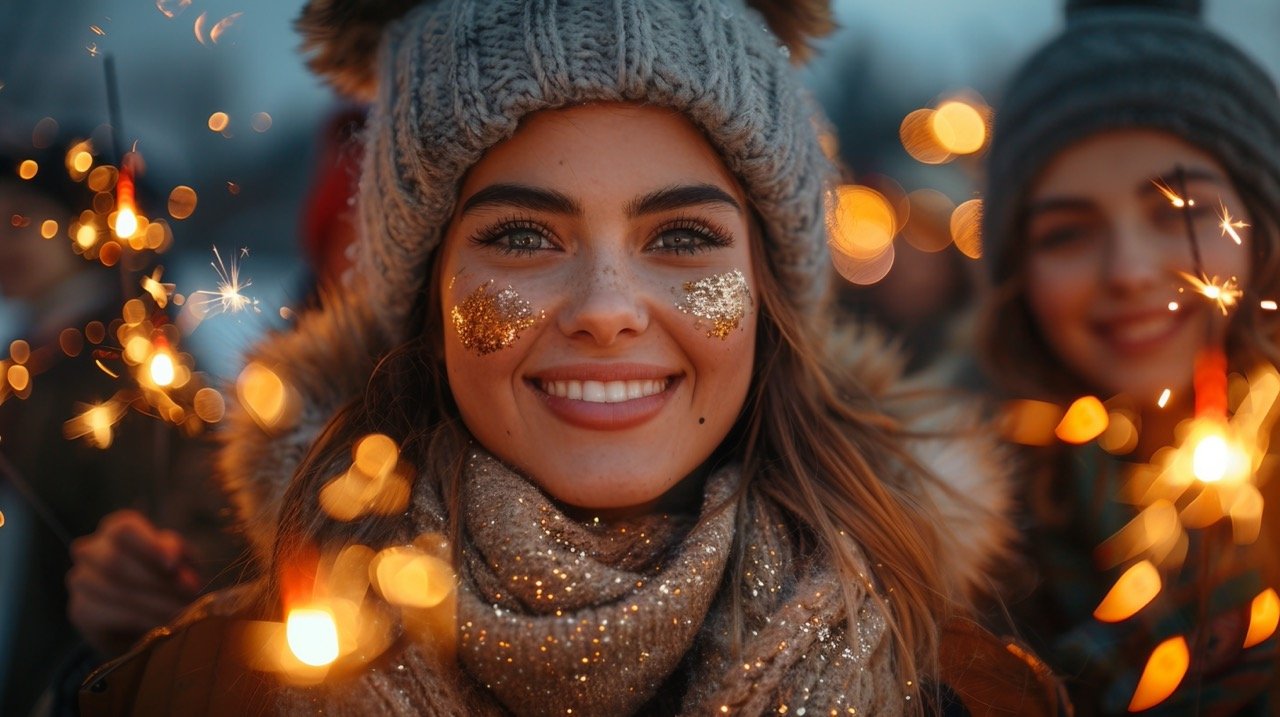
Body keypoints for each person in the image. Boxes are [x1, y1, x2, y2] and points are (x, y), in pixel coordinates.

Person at [79, 2, 1061, 715]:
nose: (605, 311)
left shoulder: (963, 692)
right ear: (425, 296)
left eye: (680, 238)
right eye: (520, 237)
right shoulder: (209, 686)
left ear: (769, 296)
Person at [978, 0, 1280, 713]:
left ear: (1263, 231)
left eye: (1182, 214)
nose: (1130, 270)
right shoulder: (949, 560)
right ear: (1018, 271)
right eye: (1067, 233)